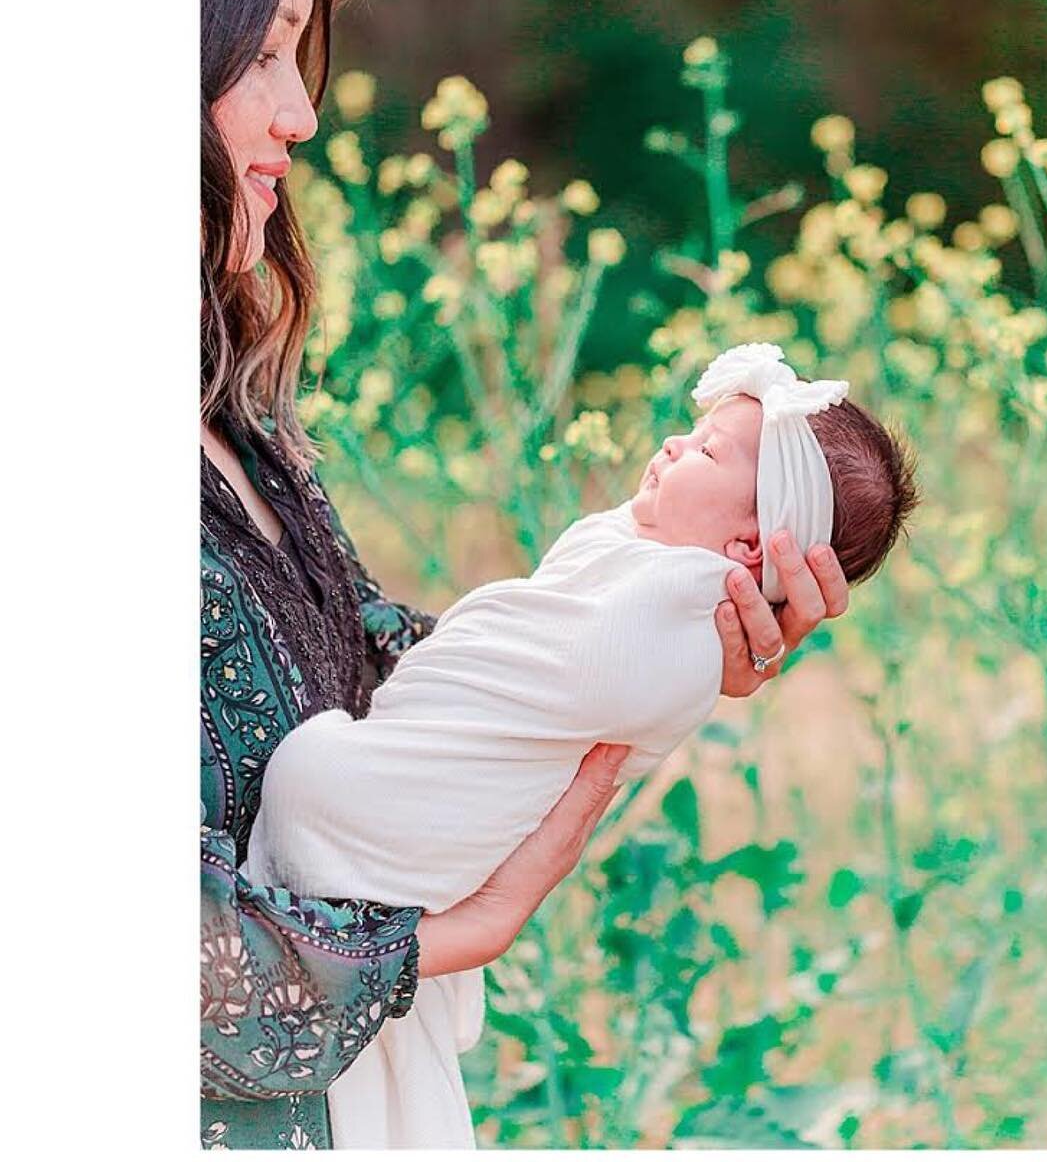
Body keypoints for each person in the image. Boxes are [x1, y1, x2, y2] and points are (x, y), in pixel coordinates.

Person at [198, 0, 852, 1151]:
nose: (302, 113)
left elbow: (362, 686)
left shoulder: (232, 415)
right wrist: (443, 940)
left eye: (298, 54)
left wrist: (658, 634)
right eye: (261, 51)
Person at [248, 342, 920, 1147]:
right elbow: (564, 587)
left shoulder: (684, 602)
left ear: (752, 552)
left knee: (320, 777)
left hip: (366, 841)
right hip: (323, 887)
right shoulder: (641, 570)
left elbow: (590, 661)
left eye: (704, 450)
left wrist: (724, 642)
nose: (671, 446)